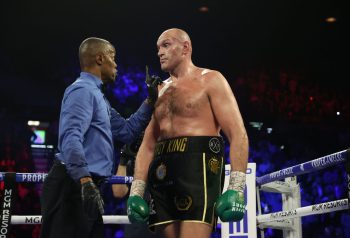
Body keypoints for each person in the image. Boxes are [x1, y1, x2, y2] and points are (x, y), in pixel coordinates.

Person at [126, 28, 249, 238]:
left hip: (198, 170)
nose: (159, 53)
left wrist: (236, 187)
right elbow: (147, 146)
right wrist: (136, 191)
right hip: (162, 174)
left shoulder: (211, 79)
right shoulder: (158, 92)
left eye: (166, 45)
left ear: (185, 48)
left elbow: (238, 134)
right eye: (158, 48)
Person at [40, 37, 161, 238]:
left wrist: (150, 100)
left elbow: (126, 130)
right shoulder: (81, 91)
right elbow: (70, 138)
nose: (116, 64)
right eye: (112, 58)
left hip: (87, 186)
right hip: (74, 186)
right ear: (99, 58)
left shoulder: (97, 96)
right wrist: (85, 181)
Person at [112, 134, 165, 238]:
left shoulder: (168, 156)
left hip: (162, 226)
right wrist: (124, 159)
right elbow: (118, 192)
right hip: (136, 229)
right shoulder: (132, 161)